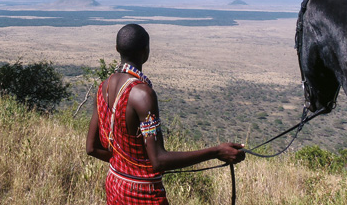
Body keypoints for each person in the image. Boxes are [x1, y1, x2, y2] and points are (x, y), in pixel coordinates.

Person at [86, 23, 245, 204]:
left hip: (115, 185)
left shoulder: (103, 88)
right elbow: (159, 160)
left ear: (117, 49)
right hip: (142, 192)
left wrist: (125, 165)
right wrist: (216, 151)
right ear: (146, 51)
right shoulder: (142, 94)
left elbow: (91, 148)